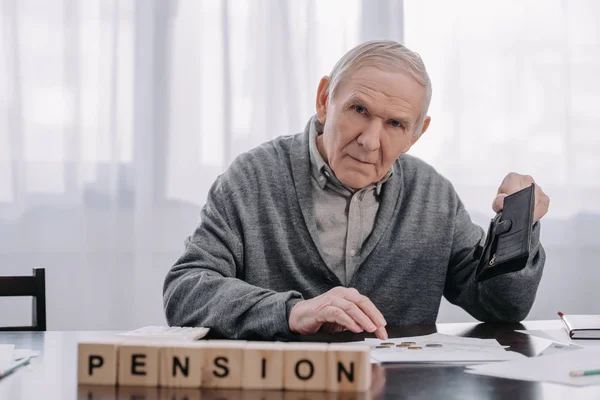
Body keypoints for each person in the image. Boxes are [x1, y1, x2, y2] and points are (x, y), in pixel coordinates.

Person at [163, 40, 550, 340]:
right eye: (358, 110)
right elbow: (186, 292)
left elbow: (501, 306)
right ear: (324, 100)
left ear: (417, 134)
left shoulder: (432, 195)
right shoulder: (253, 178)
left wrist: (518, 226)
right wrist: (292, 313)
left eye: (396, 124)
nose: (368, 141)